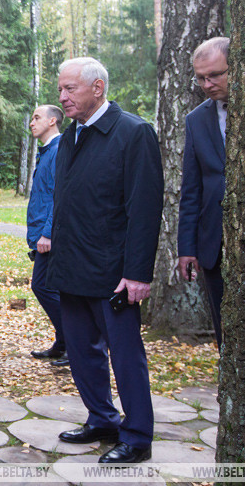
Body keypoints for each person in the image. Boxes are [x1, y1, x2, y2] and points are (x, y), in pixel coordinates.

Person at [47, 58, 163, 464]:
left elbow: (145, 209)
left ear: (97, 88)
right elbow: (67, 202)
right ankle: (102, 418)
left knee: (126, 356)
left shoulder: (134, 133)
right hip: (71, 267)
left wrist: (137, 273)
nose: (62, 98)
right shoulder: (70, 138)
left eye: (70, 89)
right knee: (81, 352)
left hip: (114, 274)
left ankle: (137, 436)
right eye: (60, 90)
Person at [177, 37, 230, 350]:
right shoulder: (196, 120)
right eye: (200, 78)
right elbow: (191, 189)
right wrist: (188, 247)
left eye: (216, 75)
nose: (207, 84)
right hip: (214, 245)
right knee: (225, 331)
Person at [26, 104, 68, 368]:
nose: (31, 122)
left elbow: (59, 195)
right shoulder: (47, 152)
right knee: (49, 288)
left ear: (53, 121)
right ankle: (64, 343)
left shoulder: (58, 150)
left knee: (42, 286)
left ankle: (75, 344)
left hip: (51, 237)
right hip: (41, 234)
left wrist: (48, 233)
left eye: (37, 117)